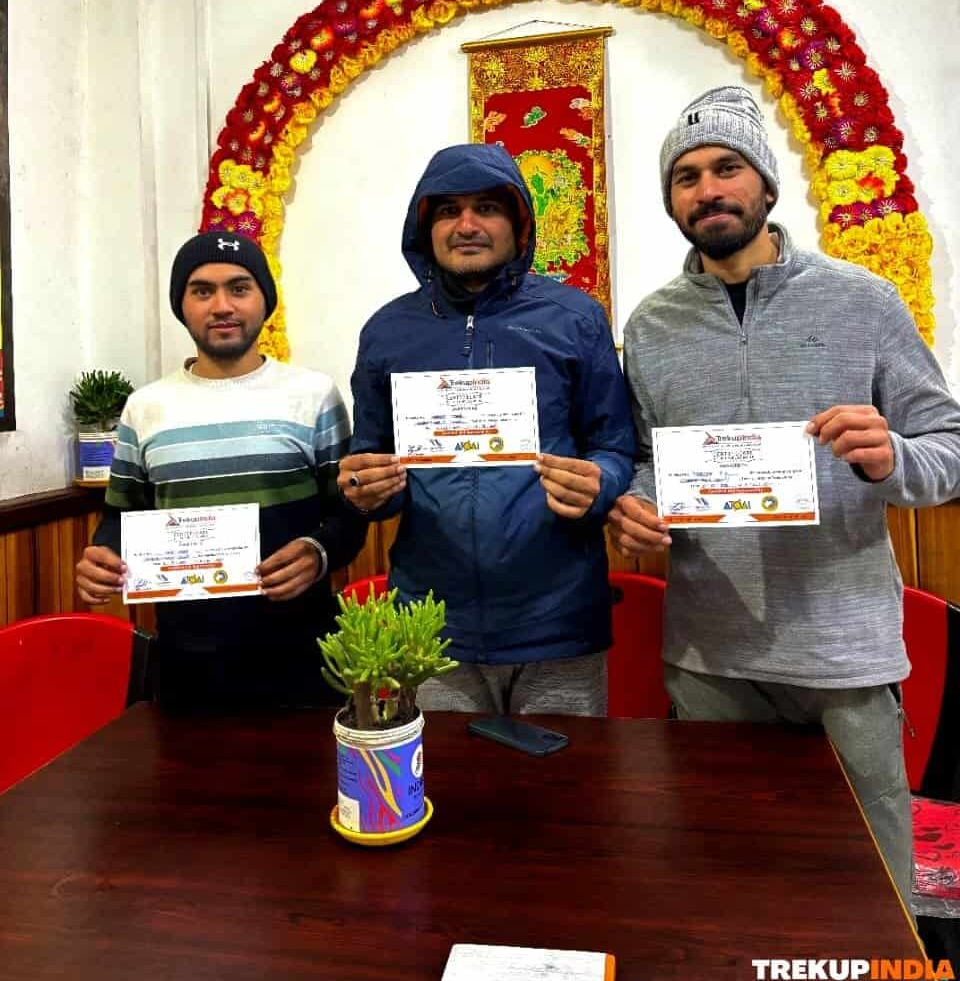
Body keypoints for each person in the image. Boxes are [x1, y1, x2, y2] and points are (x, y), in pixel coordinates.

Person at [608, 84, 960, 905]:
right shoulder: (650, 326)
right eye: (687, 176)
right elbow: (647, 457)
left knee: (873, 887)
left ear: (766, 184)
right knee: (732, 876)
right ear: (671, 200)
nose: (708, 189)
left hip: (846, 654)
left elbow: (947, 447)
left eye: (727, 168)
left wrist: (890, 459)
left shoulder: (863, 300)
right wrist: (640, 503)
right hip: (710, 659)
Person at [337, 144, 636, 716]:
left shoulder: (576, 318)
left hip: (558, 620)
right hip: (430, 626)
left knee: (566, 772)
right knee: (445, 774)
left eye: (487, 208)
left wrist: (600, 482)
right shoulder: (386, 331)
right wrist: (366, 489)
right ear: (425, 228)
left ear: (519, 223)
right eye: (449, 210)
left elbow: (615, 445)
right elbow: (370, 459)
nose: (467, 225)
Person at [76, 232, 368, 712]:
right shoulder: (145, 407)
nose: (222, 306)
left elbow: (350, 514)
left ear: (264, 300)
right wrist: (102, 556)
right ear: (181, 304)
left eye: (239, 288)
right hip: (185, 662)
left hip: (302, 656)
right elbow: (121, 517)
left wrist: (319, 553)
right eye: (202, 290)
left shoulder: (314, 395)